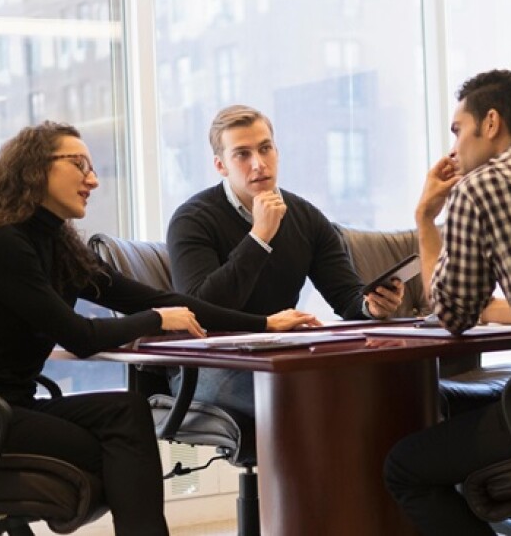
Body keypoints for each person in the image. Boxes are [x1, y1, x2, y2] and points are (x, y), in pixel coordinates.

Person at [0, 121, 317, 536]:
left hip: (10, 406)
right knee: (118, 451)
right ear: (35, 169)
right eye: (79, 164)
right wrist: (156, 321)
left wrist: (263, 323)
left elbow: (157, 298)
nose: (92, 179)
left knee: (127, 413)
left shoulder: (58, 246)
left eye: (92, 168)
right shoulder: (1, 244)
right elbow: (81, 336)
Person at [383, 70, 511, 535]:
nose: (453, 149)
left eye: (457, 130)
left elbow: (451, 313)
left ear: (491, 123)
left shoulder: (482, 187)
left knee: (405, 468)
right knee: (453, 401)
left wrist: (426, 219)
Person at [166, 104, 404, 417]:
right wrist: (259, 237)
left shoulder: (306, 217)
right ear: (220, 165)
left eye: (265, 149)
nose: (259, 163)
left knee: (389, 388)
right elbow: (202, 310)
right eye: (242, 154)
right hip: (209, 366)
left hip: (280, 356)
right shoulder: (191, 220)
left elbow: (346, 297)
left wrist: (371, 307)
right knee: (318, 399)